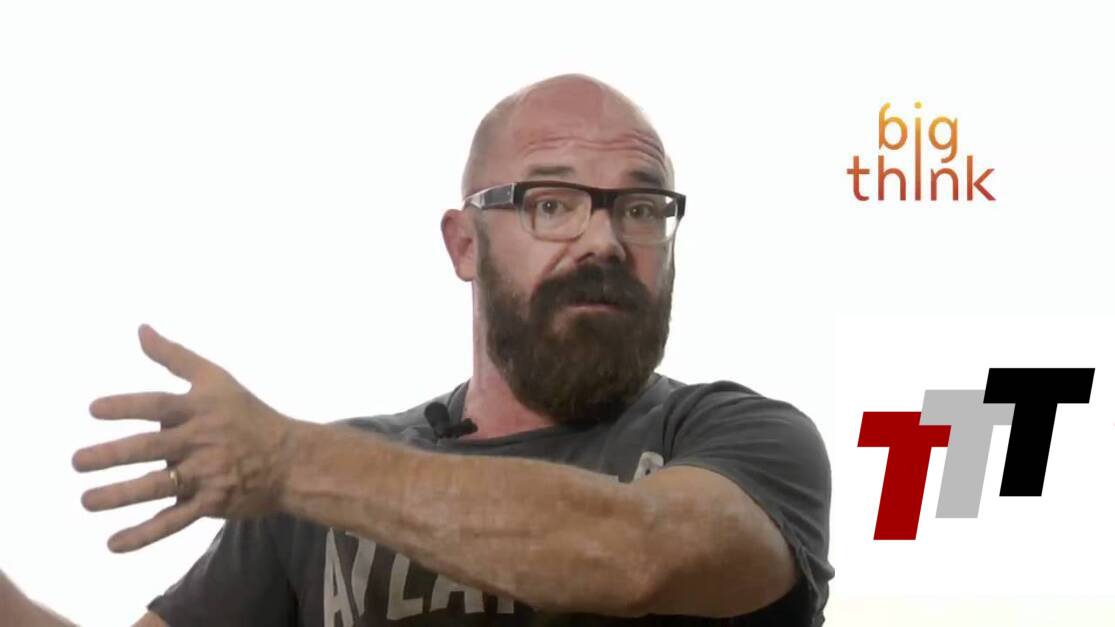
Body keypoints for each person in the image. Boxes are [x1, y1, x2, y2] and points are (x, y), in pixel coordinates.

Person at [1, 73, 834, 626]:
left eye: (641, 209)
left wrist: (291, 462)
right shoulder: (313, 486)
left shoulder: (740, 439)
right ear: (463, 243)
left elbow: (637, 554)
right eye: (551, 204)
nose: (604, 240)